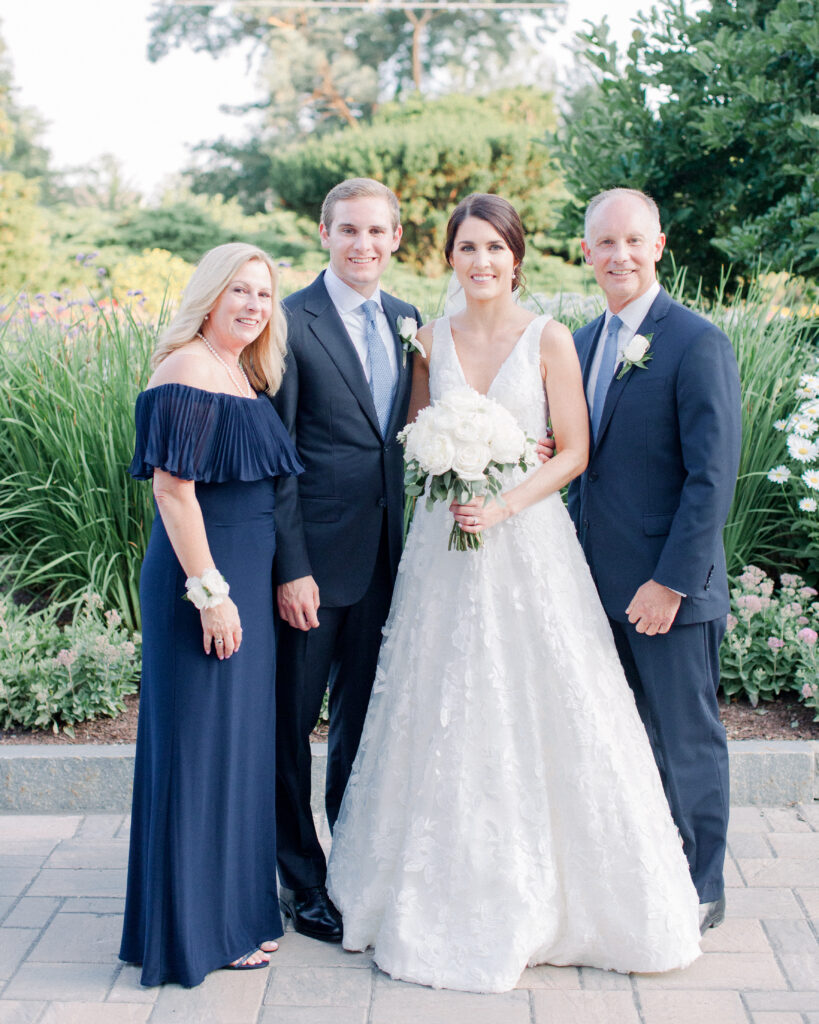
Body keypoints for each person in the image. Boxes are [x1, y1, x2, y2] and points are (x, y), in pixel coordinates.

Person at [325, 193, 702, 993]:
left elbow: (572, 451)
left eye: (494, 249)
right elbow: (417, 434)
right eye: (466, 249)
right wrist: (446, 465)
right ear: (449, 258)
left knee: (551, 697)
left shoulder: (550, 337)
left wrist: (501, 498)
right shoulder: (428, 339)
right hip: (444, 550)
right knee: (439, 700)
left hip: (525, 540)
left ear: (517, 257)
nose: (481, 263)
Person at [119, 243, 303, 987]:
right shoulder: (188, 368)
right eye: (240, 291)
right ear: (209, 295)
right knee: (199, 756)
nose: (255, 305)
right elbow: (173, 492)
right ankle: (195, 932)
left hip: (241, 585)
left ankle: (227, 914)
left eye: (264, 293)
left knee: (233, 754)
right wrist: (211, 593)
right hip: (204, 588)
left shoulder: (243, 373)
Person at [568, 188, 742, 933]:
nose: (620, 256)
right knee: (622, 738)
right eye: (605, 243)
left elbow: (712, 478)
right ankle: (642, 869)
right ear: (585, 253)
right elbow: (586, 464)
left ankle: (702, 884)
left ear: (659, 246)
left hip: (669, 587)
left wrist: (669, 583)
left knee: (684, 737)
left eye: (634, 241)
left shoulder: (695, 341)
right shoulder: (578, 344)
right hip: (592, 585)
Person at [273, 179, 422, 942]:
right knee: (290, 727)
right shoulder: (289, 321)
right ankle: (298, 880)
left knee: (364, 726)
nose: (363, 244)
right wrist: (289, 567)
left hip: (387, 562)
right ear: (323, 233)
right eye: (349, 231)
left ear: (396, 237)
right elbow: (279, 458)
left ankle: (351, 865)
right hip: (312, 568)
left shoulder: (408, 320)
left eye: (377, 231)